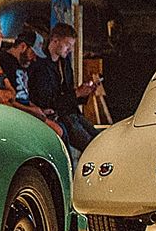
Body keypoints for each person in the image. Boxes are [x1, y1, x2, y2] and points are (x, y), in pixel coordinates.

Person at [0, 17, 66, 135]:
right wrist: (27, 108)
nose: (2, 35)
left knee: (60, 128)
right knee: (56, 130)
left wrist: (9, 95)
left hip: (2, 114)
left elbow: (11, 91)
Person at [27, 22, 101, 155]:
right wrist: (76, 94)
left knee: (100, 139)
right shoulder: (41, 65)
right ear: (55, 41)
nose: (70, 49)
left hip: (71, 113)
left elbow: (69, 93)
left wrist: (84, 92)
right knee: (91, 147)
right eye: (67, 45)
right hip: (57, 116)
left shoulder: (64, 63)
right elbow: (47, 101)